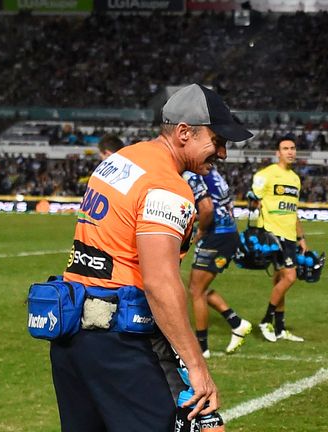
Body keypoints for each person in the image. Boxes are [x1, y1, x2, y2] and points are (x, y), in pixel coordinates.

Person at [53, 83, 252, 431]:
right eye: (217, 140)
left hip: (72, 335)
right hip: (122, 342)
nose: (222, 153)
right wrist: (197, 366)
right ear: (184, 133)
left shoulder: (121, 160)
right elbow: (159, 281)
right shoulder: (166, 186)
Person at [184, 167, 252, 358]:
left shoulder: (191, 174)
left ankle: (202, 348)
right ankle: (236, 323)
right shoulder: (211, 172)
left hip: (216, 235)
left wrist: (201, 231)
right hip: (227, 233)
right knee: (199, 287)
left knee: (196, 291)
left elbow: (207, 209)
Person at [250, 138, 308, 342]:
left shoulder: (295, 178)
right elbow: (253, 203)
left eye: (293, 148)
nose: (290, 152)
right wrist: (255, 232)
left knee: (280, 280)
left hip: (290, 235)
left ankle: (280, 328)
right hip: (272, 233)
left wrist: (301, 237)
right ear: (278, 153)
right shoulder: (265, 175)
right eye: (286, 148)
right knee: (290, 277)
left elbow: (294, 211)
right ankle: (266, 320)